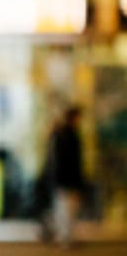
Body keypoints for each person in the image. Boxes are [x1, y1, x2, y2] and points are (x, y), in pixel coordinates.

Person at [43, 104, 87, 246]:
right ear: (74, 118)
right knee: (67, 209)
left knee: (62, 208)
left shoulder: (60, 134)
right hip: (67, 179)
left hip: (60, 179)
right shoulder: (69, 135)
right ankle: (65, 238)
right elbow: (71, 161)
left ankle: (62, 236)